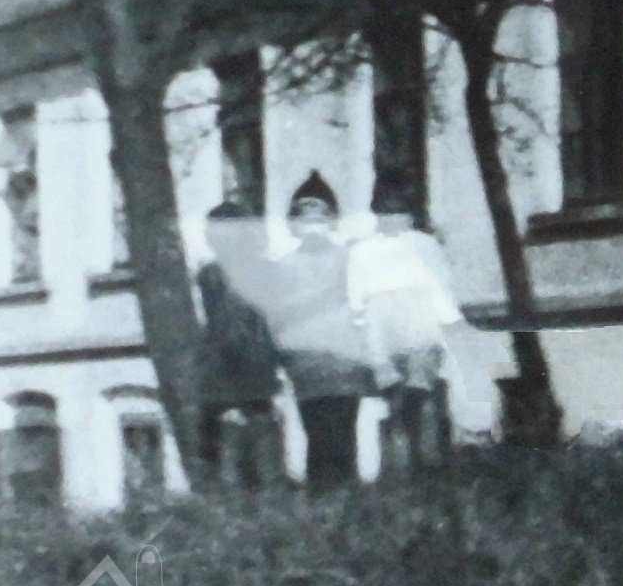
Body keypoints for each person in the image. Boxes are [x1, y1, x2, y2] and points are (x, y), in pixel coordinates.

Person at [348, 183, 463, 470]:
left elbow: (442, 286)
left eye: (399, 213)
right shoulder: (362, 250)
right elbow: (355, 297)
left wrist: (448, 326)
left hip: (420, 318)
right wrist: (363, 335)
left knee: (420, 388)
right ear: (376, 217)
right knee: (391, 392)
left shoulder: (425, 244)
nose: (392, 220)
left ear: (410, 217)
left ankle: (429, 459)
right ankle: (400, 463)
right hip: (380, 323)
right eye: (385, 214)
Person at [270, 172, 371, 492]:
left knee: (342, 436)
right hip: (307, 366)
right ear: (294, 224)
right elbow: (277, 317)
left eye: (320, 218)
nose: (312, 225)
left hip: (345, 363)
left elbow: (365, 306)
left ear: (332, 221)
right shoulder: (284, 266)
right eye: (305, 218)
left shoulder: (350, 260)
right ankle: (325, 503)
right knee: (318, 436)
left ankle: (345, 504)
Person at [196, 201, 281, 490]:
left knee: (252, 448)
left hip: (247, 369)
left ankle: (255, 498)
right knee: (225, 449)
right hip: (226, 372)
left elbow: (237, 327)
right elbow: (218, 327)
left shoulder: (258, 271)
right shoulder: (211, 274)